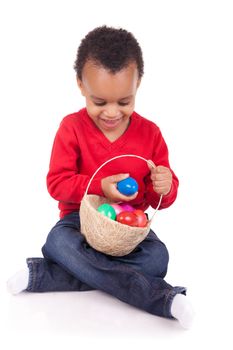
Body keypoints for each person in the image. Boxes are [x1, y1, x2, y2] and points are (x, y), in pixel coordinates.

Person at [7, 26, 194, 329]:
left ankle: (48, 276)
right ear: (80, 84)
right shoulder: (71, 128)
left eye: (124, 102)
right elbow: (57, 184)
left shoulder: (151, 134)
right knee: (58, 242)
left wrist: (166, 185)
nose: (111, 112)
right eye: (99, 102)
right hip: (77, 224)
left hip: (127, 229)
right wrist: (99, 186)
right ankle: (163, 299)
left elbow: (158, 198)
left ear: (138, 84)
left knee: (157, 258)